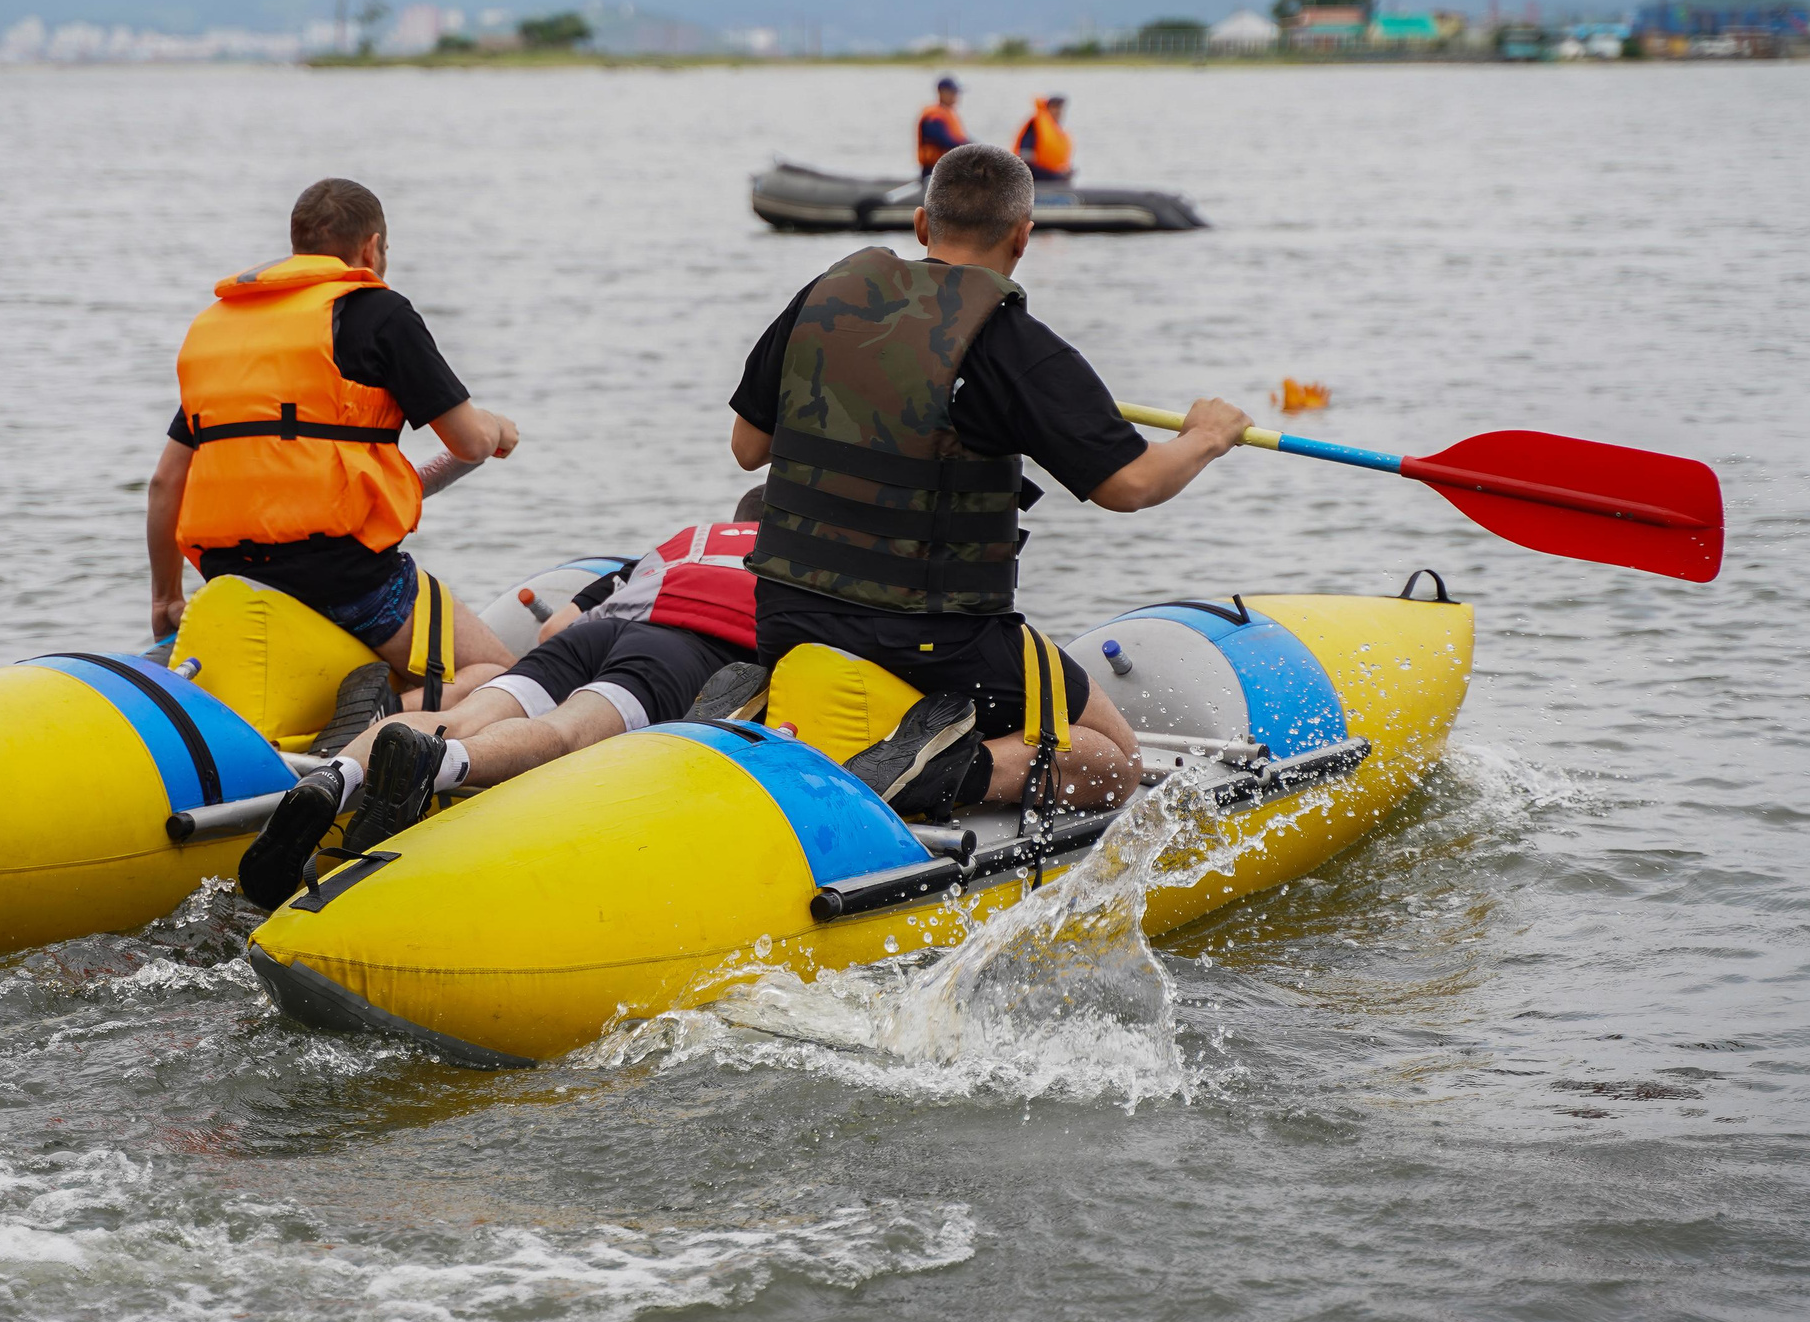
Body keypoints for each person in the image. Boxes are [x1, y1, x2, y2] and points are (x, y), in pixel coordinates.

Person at [727, 142, 1249, 818]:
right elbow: (1131, 484)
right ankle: (952, 768)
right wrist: (1205, 438)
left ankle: (775, 706)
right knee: (1113, 759)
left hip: (785, 616)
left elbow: (748, 447)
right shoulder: (1014, 345)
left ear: (922, 225)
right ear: (1023, 236)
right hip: (937, 641)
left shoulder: (824, 298)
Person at [235, 494, 772, 906]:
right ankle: (439, 764)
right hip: (684, 649)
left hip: (597, 634)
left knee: (461, 714)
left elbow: (556, 626)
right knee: (567, 732)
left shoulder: (685, 542)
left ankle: (333, 778)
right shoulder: (796, 566)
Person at [145, 176, 522, 719]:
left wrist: (166, 599)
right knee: (508, 682)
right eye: (384, 252)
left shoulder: (221, 334)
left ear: (297, 245)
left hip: (229, 575)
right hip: (348, 578)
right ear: (370, 248)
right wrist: (499, 429)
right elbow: (468, 439)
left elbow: (165, 484)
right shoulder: (380, 313)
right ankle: (382, 716)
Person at [1012, 93, 1073, 181]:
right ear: (1047, 108)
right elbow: (1024, 160)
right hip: (1036, 182)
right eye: (1054, 107)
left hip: (1053, 183)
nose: (1058, 111)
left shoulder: (1058, 133)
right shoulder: (1035, 126)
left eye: (1060, 108)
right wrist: (1053, 176)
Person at [916, 76, 971, 174]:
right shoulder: (933, 117)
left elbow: (960, 139)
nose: (956, 96)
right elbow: (944, 140)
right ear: (941, 92)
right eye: (953, 92)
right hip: (933, 170)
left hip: (948, 169)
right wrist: (969, 148)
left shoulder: (949, 113)